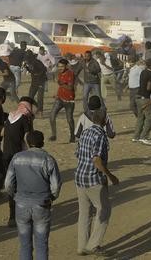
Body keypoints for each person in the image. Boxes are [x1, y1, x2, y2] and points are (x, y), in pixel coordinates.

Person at [5, 130, 62, 260]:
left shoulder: (17, 157)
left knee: (25, 244)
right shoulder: (48, 159)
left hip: (21, 204)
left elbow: (8, 183)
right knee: (41, 244)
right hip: (41, 204)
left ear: (27, 143)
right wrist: (51, 197)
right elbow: (56, 186)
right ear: (42, 143)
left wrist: (15, 196)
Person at [75, 109, 119, 256]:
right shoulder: (100, 135)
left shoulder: (85, 133)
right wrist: (110, 176)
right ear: (105, 121)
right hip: (94, 179)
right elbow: (96, 160)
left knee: (84, 213)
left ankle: (82, 246)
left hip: (80, 177)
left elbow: (77, 153)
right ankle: (93, 245)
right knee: (104, 210)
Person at [3, 97, 37, 227]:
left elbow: (2, 134)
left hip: (6, 155)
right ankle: (24, 215)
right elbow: (29, 139)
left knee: (11, 185)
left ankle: (12, 217)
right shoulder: (24, 119)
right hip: (19, 157)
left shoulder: (10, 116)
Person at [49, 59, 76, 143]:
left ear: (66, 66)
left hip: (69, 101)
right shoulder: (60, 73)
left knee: (69, 119)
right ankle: (54, 135)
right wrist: (57, 94)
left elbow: (70, 88)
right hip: (60, 98)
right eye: (59, 66)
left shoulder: (70, 74)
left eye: (62, 66)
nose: (60, 68)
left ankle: (72, 136)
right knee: (52, 116)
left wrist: (61, 84)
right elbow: (61, 86)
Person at [133, 59, 151, 145]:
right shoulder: (150, 74)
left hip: (138, 97)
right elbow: (148, 87)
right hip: (144, 98)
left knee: (140, 118)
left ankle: (136, 137)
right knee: (149, 118)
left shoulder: (143, 72)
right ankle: (144, 137)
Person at [25, 51, 48, 117]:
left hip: (41, 81)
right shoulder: (29, 63)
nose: (26, 59)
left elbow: (44, 69)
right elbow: (32, 71)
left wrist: (38, 75)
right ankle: (31, 111)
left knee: (39, 97)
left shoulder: (37, 62)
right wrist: (27, 68)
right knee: (30, 97)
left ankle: (40, 112)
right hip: (34, 82)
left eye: (27, 58)